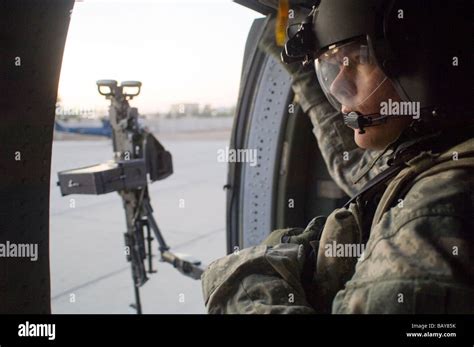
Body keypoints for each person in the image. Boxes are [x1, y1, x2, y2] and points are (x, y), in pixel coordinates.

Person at [201, 0, 474, 313]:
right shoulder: (434, 161)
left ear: (422, 59)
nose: (336, 82)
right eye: (333, 64)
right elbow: (356, 168)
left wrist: (242, 281)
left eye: (356, 58)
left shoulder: (432, 214)